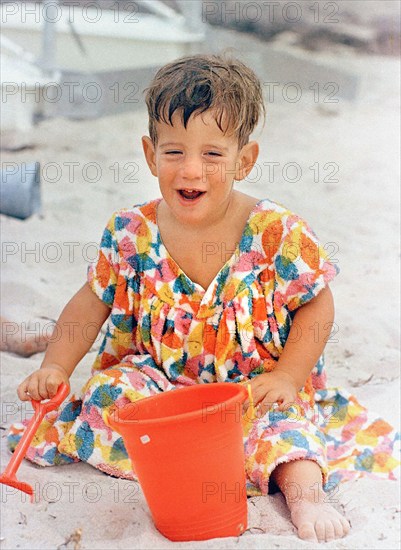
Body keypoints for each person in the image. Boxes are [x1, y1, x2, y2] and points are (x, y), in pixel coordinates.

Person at [10, 54, 399, 543]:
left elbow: (316, 304)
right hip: (163, 383)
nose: (191, 170)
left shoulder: (276, 233)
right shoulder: (132, 232)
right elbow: (91, 302)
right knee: (109, 395)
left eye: (213, 155)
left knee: (287, 436)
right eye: (174, 152)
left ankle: (305, 498)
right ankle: (185, 462)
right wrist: (57, 368)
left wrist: (287, 376)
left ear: (244, 159)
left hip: (249, 390)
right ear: (150, 155)